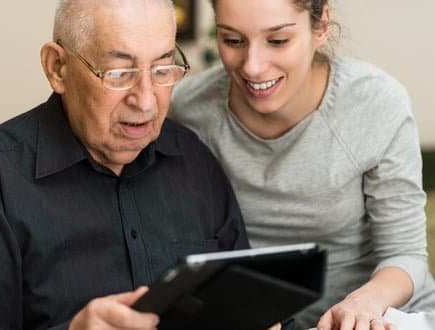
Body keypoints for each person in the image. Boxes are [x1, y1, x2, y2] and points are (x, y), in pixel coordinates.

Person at [0, 1, 251, 329]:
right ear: (58, 68)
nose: (147, 100)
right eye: (120, 73)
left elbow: (247, 300)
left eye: (162, 69)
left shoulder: (194, 160)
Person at [169, 0, 435, 329]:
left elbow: (405, 255)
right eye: (233, 40)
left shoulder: (376, 103)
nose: (252, 66)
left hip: (379, 317)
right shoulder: (189, 110)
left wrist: (361, 305)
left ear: (321, 26)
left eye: (278, 41)